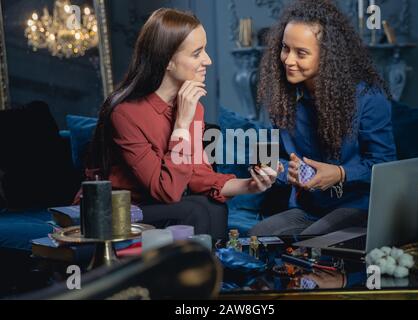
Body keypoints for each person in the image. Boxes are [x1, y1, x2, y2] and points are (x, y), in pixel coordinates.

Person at [84, 8, 280, 239]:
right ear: (167, 61)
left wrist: (250, 185)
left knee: (213, 206)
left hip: (159, 208)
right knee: (195, 210)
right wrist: (182, 124)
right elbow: (167, 191)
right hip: (118, 212)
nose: (208, 60)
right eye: (197, 53)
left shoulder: (192, 106)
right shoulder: (125, 114)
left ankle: (212, 273)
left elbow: (198, 176)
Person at [250, 0, 397, 236]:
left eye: (301, 53)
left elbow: (385, 164)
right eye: (285, 48)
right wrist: (282, 171)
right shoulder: (283, 98)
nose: (288, 60)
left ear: (328, 56)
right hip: (306, 209)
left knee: (310, 242)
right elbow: (265, 160)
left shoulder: (368, 97)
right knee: (256, 236)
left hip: (356, 207)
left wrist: (340, 173)